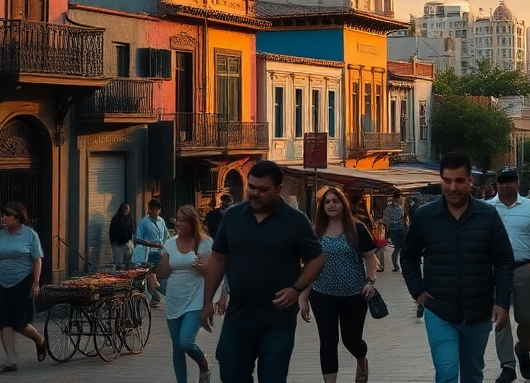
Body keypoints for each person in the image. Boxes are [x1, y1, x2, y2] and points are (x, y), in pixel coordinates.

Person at [202, 160, 325, 383]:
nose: (254, 193)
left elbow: (316, 258)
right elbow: (218, 258)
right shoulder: (233, 216)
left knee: (272, 378)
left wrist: (296, 289)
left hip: (277, 320)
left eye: (263, 189)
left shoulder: (295, 221)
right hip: (238, 316)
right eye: (251, 186)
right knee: (231, 374)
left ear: (278, 189)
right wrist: (207, 301)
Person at [401, 152, 513, 383]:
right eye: (447, 180)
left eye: (459, 181)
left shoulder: (488, 215)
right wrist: (417, 290)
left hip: (478, 311)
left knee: (472, 375)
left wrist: (501, 302)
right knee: (447, 372)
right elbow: (408, 255)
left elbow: (503, 261)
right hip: (439, 309)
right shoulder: (425, 216)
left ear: (470, 181)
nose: (453, 187)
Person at [299, 187, 378, 383]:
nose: (332, 204)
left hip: (354, 295)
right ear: (322, 207)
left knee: (351, 340)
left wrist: (370, 281)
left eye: (336, 201)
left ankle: (361, 359)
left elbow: (370, 258)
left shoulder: (356, 228)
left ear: (343, 204)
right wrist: (303, 298)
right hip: (323, 295)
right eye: (327, 202)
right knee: (328, 342)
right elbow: (310, 266)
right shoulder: (315, 231)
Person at [488, 166, 530, 383]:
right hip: (496, 271)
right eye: (502, 181)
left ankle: (523, 349)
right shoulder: (487, 208)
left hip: (523, 268)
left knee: (526, 318)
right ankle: (507, 366)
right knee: (500, 315)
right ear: (496, 183)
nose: (506, 185)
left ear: (517, 183)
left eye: (510, 180)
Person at [155, 204, 219, 383]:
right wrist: (156, 264)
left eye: (182, 220)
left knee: (185, 341)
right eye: (177, 219)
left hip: (196, 300)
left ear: (192, 223)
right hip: (174, 298)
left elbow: (214, 272)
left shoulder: (205, 243)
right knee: (177, 347)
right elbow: (164, 273)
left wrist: (204, 268)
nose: (178, 223)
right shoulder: (169, 243)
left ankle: (203, 363)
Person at [0, 202, 47, 374]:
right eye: (2, 215)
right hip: (2, 282)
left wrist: (35, 282)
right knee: (3, 321)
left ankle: (39, 339)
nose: (3, 218)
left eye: (8, 215)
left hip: (23, 281)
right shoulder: (0, 235)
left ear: (18, 218)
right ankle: (11, 361)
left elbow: (37, 259)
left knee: (18, 322)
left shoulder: (30, 235)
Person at [134, 198, 169, 305]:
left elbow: (166, 236)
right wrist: (149, 243)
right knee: (147, 275)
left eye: (157, 210)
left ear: (159, 210)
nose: (155, 212)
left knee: (159, 276)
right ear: (149, 210)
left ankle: (158, 295)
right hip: (147, 254)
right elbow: (137, 238)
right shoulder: (144, 222)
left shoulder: (162, 221)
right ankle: (152, 296)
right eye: (153, 209)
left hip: (159, 253)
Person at [383, 193, 406, 272]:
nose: (396, 202)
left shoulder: (399, 207)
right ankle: (396, 266)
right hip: (394, 229)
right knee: (397, 248)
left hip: (399, 229)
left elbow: (402, 217)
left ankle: (400, 265)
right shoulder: (389, 209)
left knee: (400, 248)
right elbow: (386, 220)